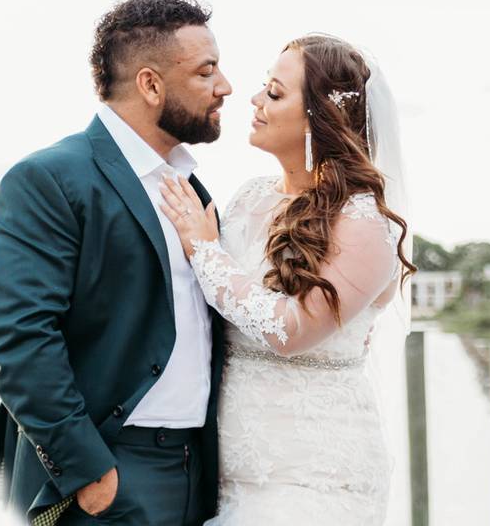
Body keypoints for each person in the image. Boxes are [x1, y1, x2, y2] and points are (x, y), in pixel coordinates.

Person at [0, 0, 232, 526]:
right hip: (110, 474)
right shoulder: (48, 179)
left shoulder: (195, 190)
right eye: (207, 71)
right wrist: (87, 471)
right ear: (150, 84)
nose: (225, 87)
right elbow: (19, 336)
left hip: (197, 475)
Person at [158, 34, 416, 525]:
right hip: (226, 473)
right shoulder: (248, 198)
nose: (253, 101)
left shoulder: (363, 223)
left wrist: (205, 251)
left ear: (320, 117)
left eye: (275, 93)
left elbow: (291, 331)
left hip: (314, 475)